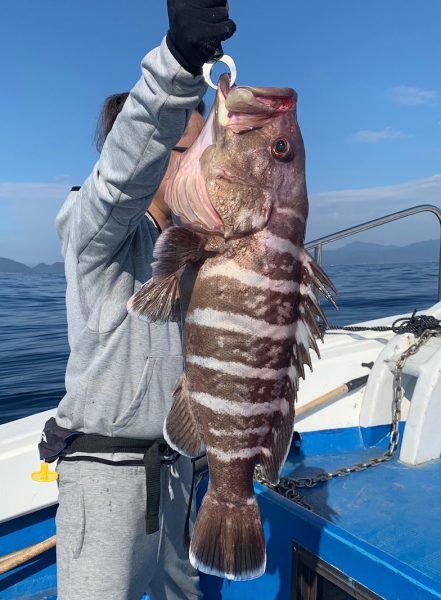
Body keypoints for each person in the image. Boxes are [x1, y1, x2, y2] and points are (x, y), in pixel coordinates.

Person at [49, 2, 236, 598]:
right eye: (189, 147)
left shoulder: (188, 251)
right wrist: (179, 64)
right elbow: (122, 171)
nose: (206, 159)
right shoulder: (93, 231)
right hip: (106, 485)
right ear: (148, 157)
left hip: (180, 475)